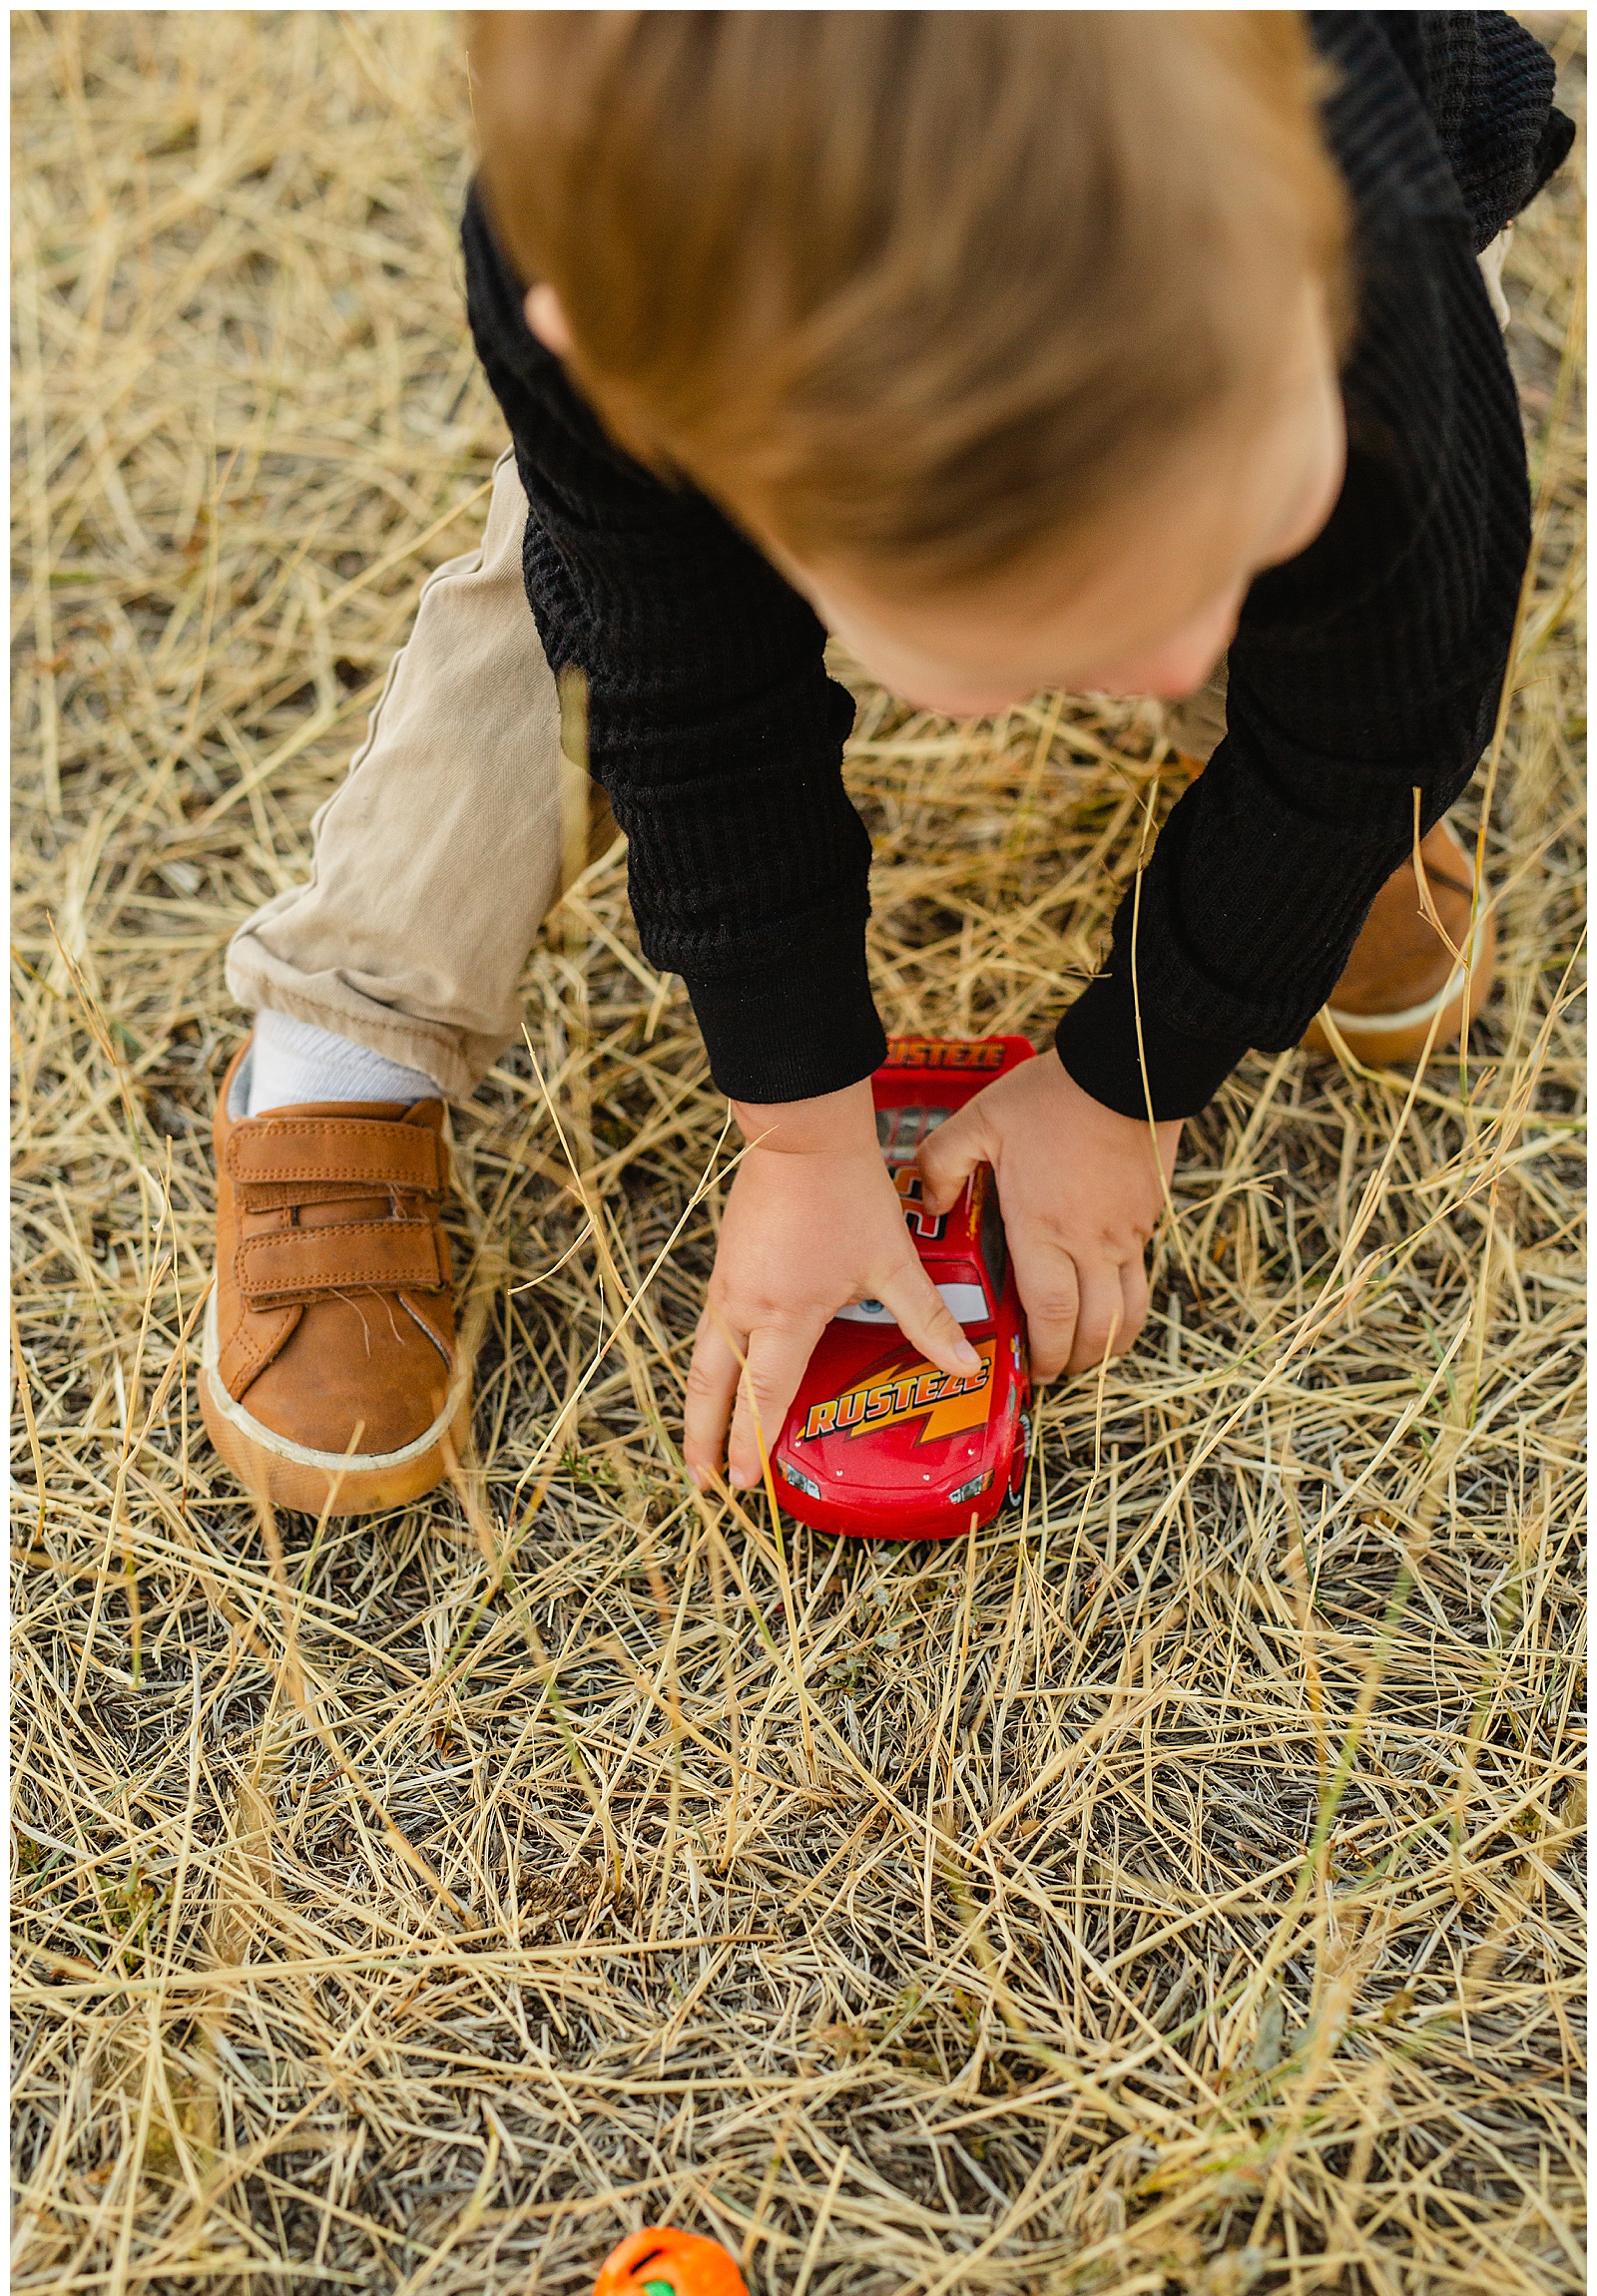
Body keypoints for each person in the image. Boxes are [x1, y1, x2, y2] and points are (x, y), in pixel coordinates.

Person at [202, 11, 1572, 1517]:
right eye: (1088, 625)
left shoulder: (1362, 245)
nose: (1183, 661)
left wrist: (1138, 1070)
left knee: (1356, 602)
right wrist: (797, 1128)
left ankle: (1286, 824)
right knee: (582, 609)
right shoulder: (588, 260)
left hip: (1357, 239)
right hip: (705, 316)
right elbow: (699, 697)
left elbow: (1413, 661)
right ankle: (343, 1043)